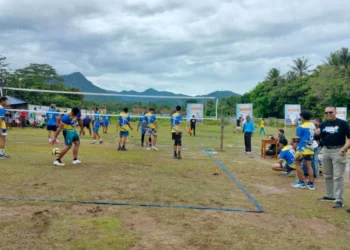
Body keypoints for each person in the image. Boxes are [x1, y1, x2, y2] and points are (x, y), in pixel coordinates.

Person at [315, 106, 350, 209]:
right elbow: (317, 139)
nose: (328, 114)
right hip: (325, 150)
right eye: (326, 113)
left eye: (331, 112)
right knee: (327, 174)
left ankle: (339, 200)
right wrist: (316, 134)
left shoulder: (343, 123)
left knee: (338, 176)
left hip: (338, 150)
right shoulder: (323, 125)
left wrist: (344, 149)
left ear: (335, 112)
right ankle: (330, 195)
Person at [291, 110, 316, 190]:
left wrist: (294, 143)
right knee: (309, 166)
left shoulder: (301, 127)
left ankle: (301, 182)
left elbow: (297, 139)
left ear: (302, 117)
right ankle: (311, 183)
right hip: (310, 148)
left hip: (302, 148)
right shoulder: (313, 125)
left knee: (297, 164)